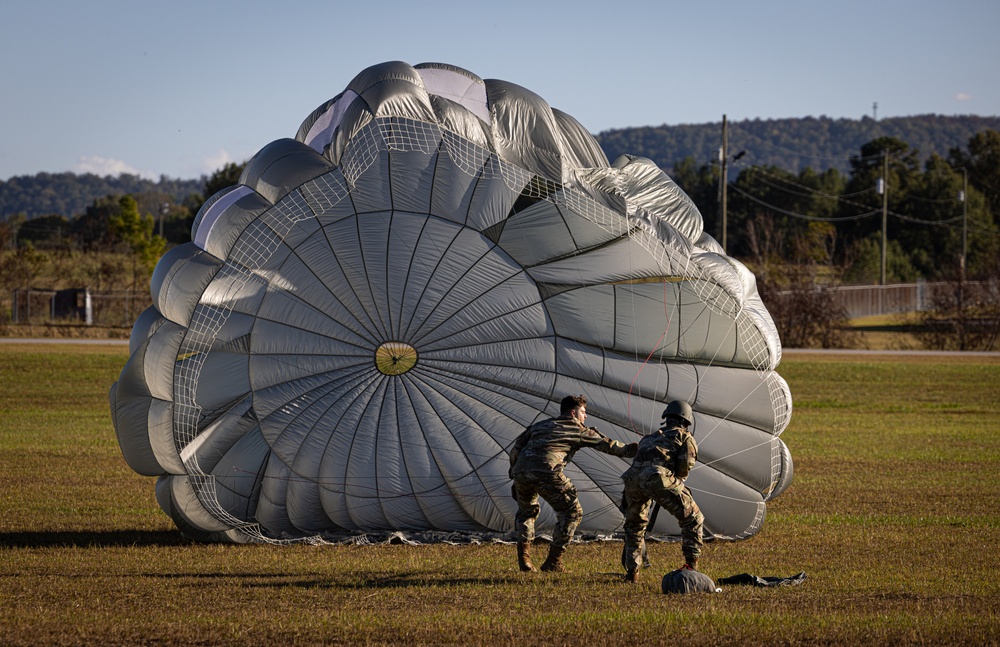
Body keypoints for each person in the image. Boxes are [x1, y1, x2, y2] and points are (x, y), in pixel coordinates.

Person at [509, 394, 638, 573]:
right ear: (573, 412)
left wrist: (514, 474)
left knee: (526, 513)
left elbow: (516, 449)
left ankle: (525, 560)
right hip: (548, 471)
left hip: (521, 471)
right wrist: (638, 449)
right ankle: (553, 561)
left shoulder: (540, 425)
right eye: (583, 412)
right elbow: (609, 446)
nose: (585, 417)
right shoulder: (576, 428)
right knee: (572, 513)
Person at [619, 399, 705, 584]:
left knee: (635, 526)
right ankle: (692, 568)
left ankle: (632, 575)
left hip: (632, 480)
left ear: (666, 418)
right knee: (693, 518)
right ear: (686, 421)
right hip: (657, 477)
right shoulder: (684, 436)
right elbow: (684, 468)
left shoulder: (649, 437)